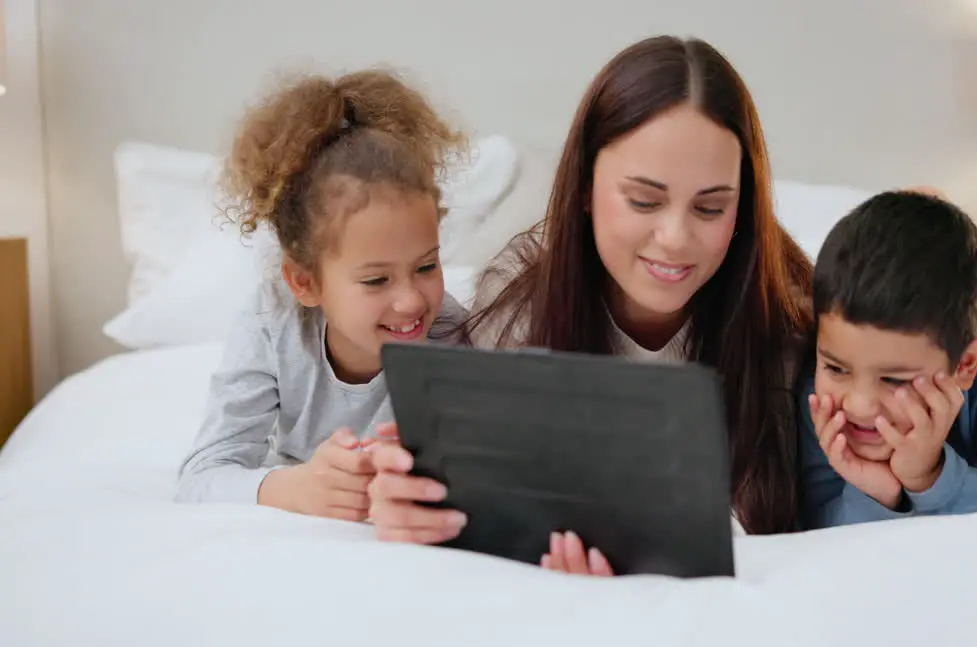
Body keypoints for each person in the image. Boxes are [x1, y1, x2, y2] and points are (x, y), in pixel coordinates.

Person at [365, 35, 815, 574]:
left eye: (711, 207)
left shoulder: (791, 322)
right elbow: (479, 505)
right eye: (644, 200)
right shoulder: (518, 304)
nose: (674, 237)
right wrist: (411, 506)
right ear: (584, 187)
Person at [174, 69, 470, 524]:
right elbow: (202, 476)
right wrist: (298, 488)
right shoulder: (272, 323)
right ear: (305, 283)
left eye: (427, 266)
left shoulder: (451, 334)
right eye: (376, 281)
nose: (412, 301)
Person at [798, 190, 977, 529]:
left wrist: (932, 477)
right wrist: (873, 493)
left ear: (967, 365)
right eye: (837, 368)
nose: (859, 406)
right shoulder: (818, 392)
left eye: (895, 379)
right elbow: (804, 524)